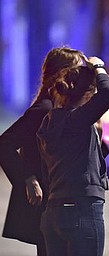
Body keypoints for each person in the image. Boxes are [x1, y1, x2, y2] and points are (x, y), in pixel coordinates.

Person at [0, 46, 84, 255]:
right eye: (78, 71)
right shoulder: (44, 110)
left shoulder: (69, 111)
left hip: (66, 206)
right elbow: (5, 144)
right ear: (62, 75)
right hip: (49, 204)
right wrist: (27, 179)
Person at [37, 57, 109, 256]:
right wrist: (98, 66)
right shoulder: (77, 120)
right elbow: (108, 93)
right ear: (89, 94)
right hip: (81, 210)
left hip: (54, 211)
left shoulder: (49, 121)